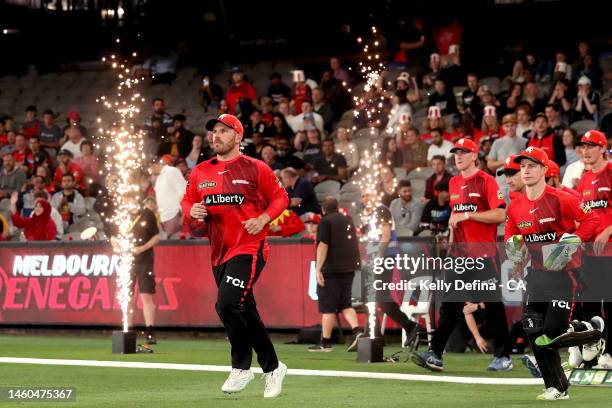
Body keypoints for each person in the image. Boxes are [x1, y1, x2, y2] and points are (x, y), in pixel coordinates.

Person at [181, 113, 288, 398]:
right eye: (213, 131)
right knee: (243, 309)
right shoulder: (201, 171)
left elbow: (281, 198)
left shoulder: (256, 168)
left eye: (223, 131)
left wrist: (264, 218)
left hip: (249, 247)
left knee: (227, 304)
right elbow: (188, 199)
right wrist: (191, 209)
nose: (216, 136)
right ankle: (273, 368)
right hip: (218, 253)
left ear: (238, 137)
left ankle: (241, 367)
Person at [505, 146, 601, 400]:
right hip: (535, 275)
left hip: (563, 274)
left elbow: (592, 220)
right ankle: (556, 388)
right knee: (533, 331)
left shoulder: (561, 198)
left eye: (532, 166)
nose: (525, 170)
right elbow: (512, 234)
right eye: (523, 166)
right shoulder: (515, 206)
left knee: (552, 332)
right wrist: (515, 255)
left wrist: (571, 243)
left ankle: (591, 330)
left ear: (545, 170)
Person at [412, 138, 511, 372]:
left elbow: (500, 214)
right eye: (456, 152)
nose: (458, 156)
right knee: (450, 305)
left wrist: (469, 216)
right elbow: (455, 220)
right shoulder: (454, 182)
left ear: (474, 155)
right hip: (459, 256)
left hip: (483, 255)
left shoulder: (486, 180)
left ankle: (503, 356)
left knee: (494, 306)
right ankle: (435, 353)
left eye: (464, 152)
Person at [575, 130, 612, 368]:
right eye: (583, 147)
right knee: (589, 304)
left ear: (602, 148)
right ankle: (592, 352)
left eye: (591, 146)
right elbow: (582, 214)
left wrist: (609, 230)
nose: (585, 151)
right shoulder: (585, 178)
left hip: (610, 252)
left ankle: (609, 353)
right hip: (589, 253)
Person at [310, 197, 363, 352]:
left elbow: (323, 246)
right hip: (349, 267)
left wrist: (318, 268)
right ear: (337, 207)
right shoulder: (347, 219)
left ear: (323, 210)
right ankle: (357, 332)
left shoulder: (325, 222)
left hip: (332, 269)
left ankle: (325, 343)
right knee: (345, 304)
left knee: (328, 307)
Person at [128, 198, 160, 345]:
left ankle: (150, 332)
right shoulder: (122, 214)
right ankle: (127, 330)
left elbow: (156, 237)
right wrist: (117, 245)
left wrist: (141, 248)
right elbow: (114, 236)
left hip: (144, 260)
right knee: (126, 298)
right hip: (126, 260)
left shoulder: (147, 214)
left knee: (146, 295)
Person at [151, 156, 187, 239]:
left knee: (175, 244)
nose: (150, 171)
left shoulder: (172, 171)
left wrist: (180, 214)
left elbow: (183, 191)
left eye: (150, 168)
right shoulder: (158, 177)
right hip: (163, 217)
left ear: (155, 165)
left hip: (173, 215)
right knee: (166, 245)